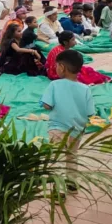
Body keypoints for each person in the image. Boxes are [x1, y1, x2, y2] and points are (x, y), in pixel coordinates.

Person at [41, 49, 95, 190]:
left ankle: (58, 190)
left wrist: (45, 104)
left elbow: (47, 105)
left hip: (57, 128)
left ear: (62, 67)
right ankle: (72, 182)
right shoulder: (85, 89)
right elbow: (90, 112)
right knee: (72, 155)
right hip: (77, 129)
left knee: (57, 157)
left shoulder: (54, 85)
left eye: (56, 65)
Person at [46, 32, 111, 84]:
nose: (75, 42)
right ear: (65, 42)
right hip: (56, 73)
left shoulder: (64, 49)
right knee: (80, 76)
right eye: (73, 40)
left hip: (64, 69)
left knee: (88, 70)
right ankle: (99, 80)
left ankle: (101, 79)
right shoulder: (61, 52)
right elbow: (59, 68)